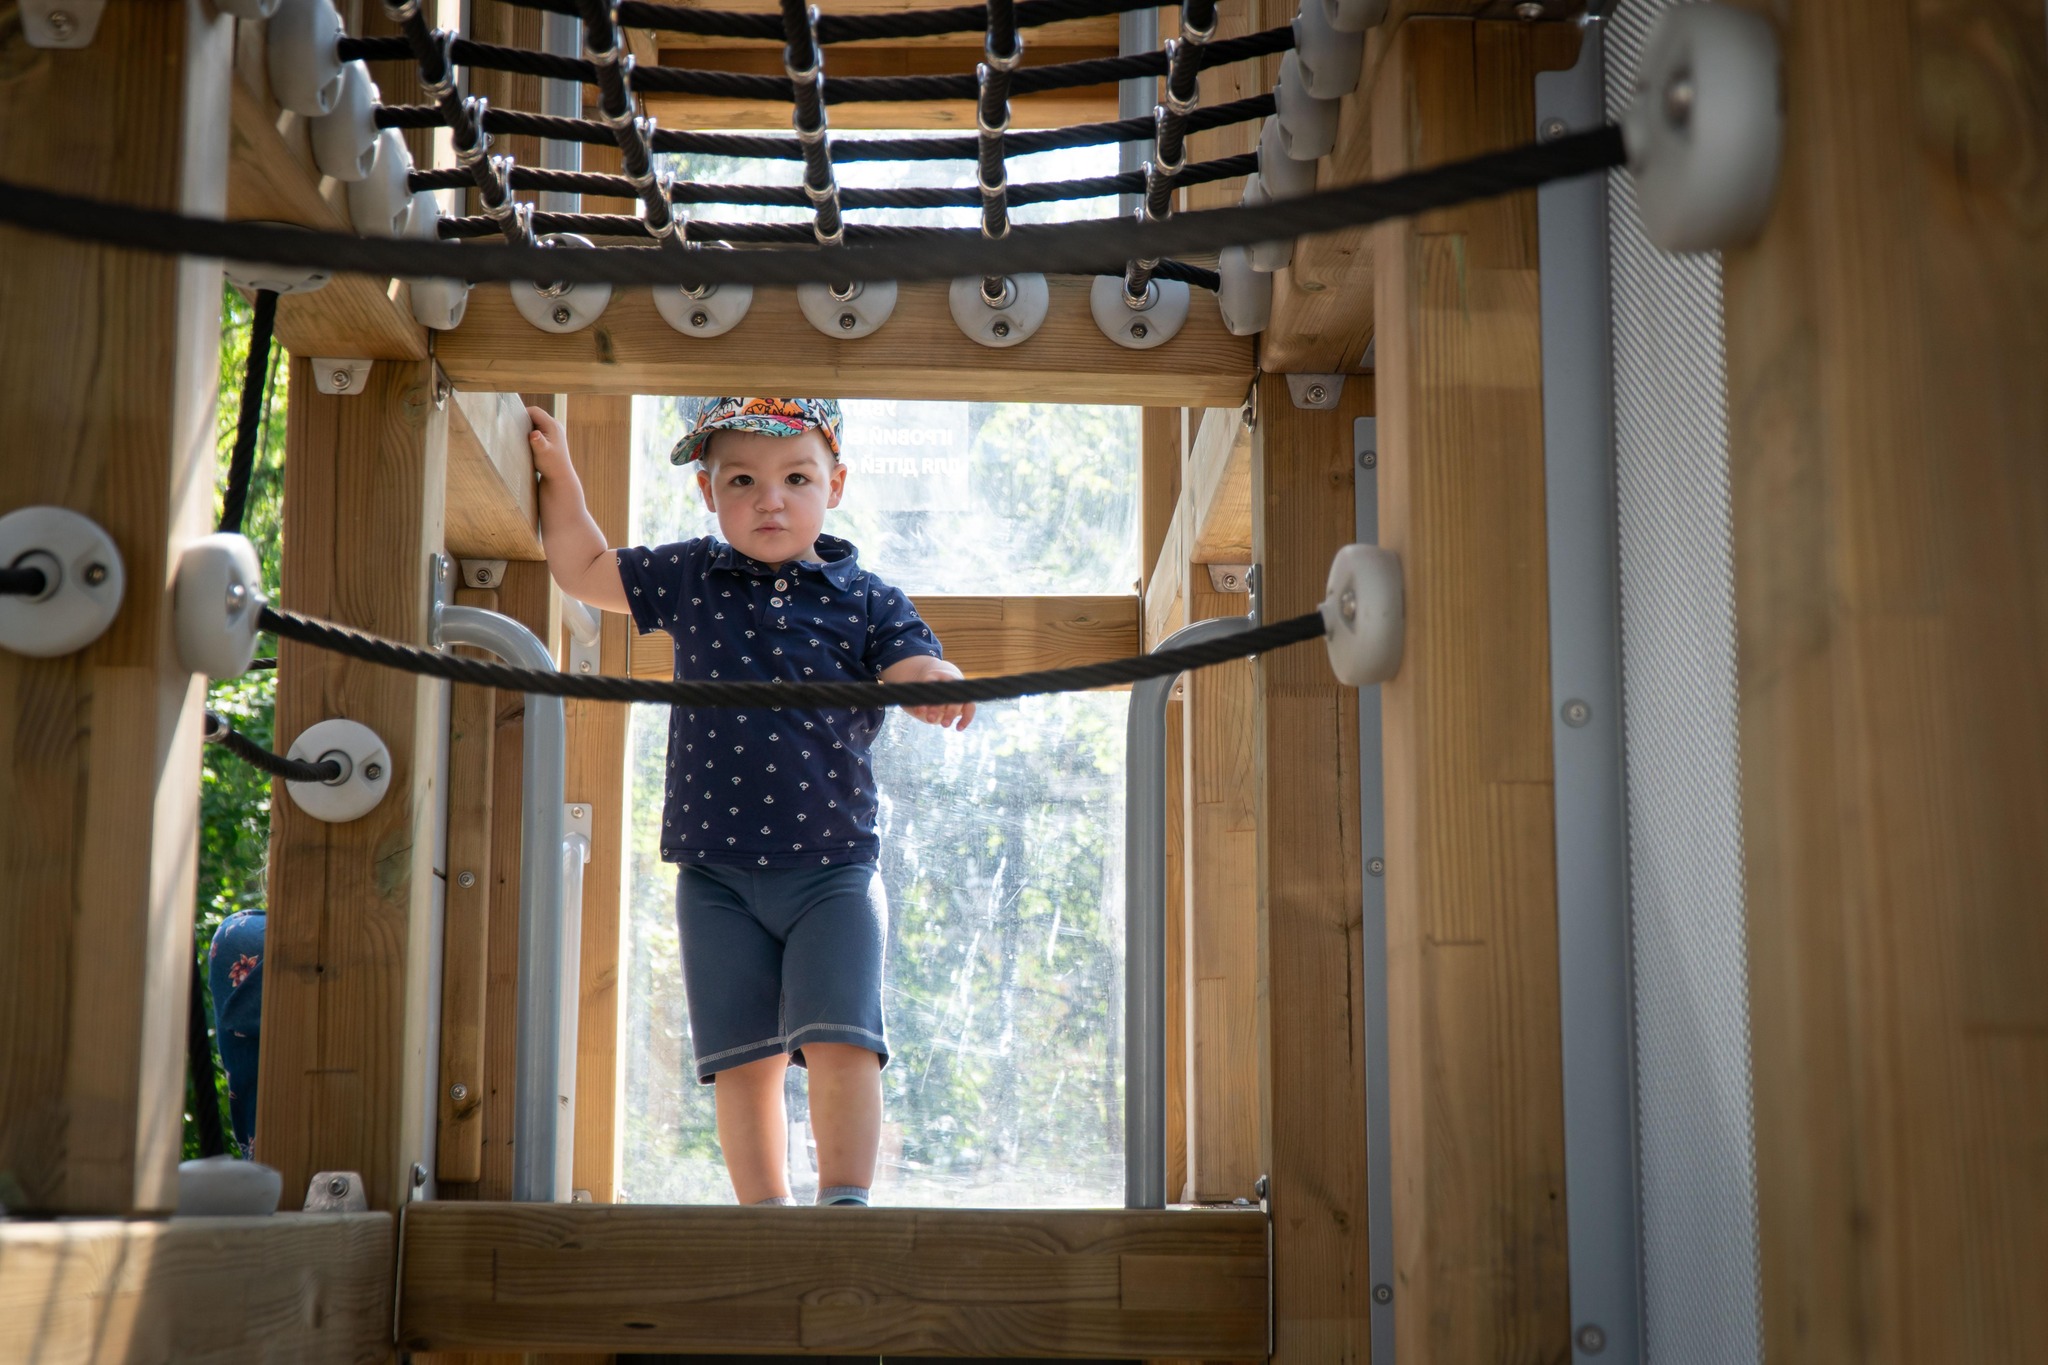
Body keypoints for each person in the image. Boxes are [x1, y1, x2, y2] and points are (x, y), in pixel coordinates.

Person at [526, 396, 972, 1208]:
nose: (771, 498)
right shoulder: (694, 576)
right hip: (717, 873)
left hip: (832, 867)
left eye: (796, 477)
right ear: (708, 492)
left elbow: (910, 662)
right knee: (744, 1057)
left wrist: (935, 686)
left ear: (835, 485)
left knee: (843, 1041)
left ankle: (845, 1201)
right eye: (743, 479)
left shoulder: (863, 594)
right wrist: (558, 475)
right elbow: (584, 569)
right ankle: (764, 1214)